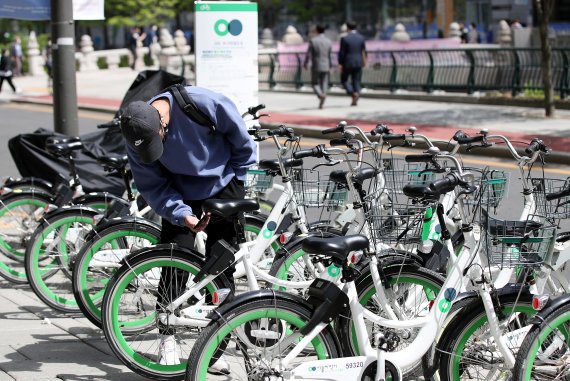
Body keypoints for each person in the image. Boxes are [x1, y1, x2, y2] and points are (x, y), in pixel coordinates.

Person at [120, 86, 257, 368]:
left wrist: (239, 180)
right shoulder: (135, 134)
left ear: (162, 120)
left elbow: (242, 142)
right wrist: (182, 214)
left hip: (222, 185)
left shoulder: (203, 103)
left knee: (221, 268)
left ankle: (213, 347)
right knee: (173, 262)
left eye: (157, 141)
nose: (154, 149)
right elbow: (153, 185)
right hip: (179, 194)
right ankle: (167, 338)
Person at [338, 21, 366, 106]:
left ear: (347, 28)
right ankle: (356, 93)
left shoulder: (345, 38)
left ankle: (352, 93)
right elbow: (364, 51)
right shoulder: (361, 38)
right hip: (358, 62)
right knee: (356, 80)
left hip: (348, 62)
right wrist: (364, 61)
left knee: (344, 80)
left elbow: (342, 52)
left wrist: (340, 63)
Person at [303, 24, 332, 109]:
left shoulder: (313, 40)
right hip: (326, 64)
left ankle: (320, 94)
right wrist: (330, 65)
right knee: (325, 82)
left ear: (317, 31)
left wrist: (305, 63)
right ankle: (324, 95)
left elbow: (308, 54)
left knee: (314, 82)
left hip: (316, 65)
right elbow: (329, 55)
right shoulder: (329, 41)